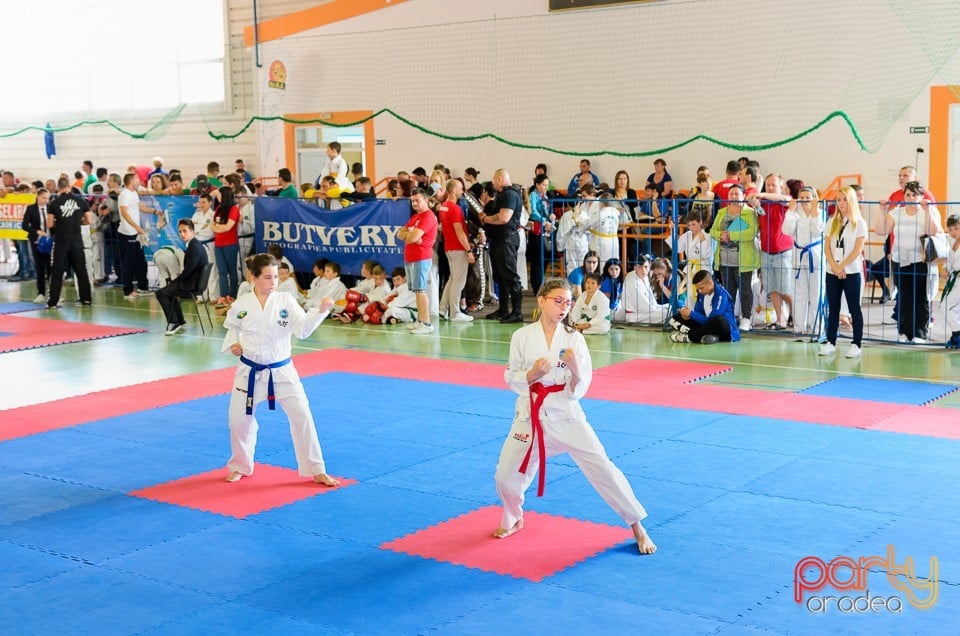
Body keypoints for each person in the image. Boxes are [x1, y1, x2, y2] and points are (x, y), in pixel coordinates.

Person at [493, 278, 656, 554]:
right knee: (504, 476)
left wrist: (576, 369)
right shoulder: (521, 337)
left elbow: (580, 388)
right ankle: (513, 517)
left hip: (565, 415)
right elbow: (511, 377)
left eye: (568, 303)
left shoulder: (574, 339)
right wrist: (532, 375)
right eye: (558, 301)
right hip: (530, 415)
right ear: (542, 300)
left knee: (602, 467)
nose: (563, 308)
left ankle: (637, 526)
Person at [222, 253, 340, 486]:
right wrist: (234, 343)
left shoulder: (286, 300)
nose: (273, 282)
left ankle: (316, 469)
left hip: (282, 371)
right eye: (267, 277)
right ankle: (240, 465)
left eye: (275, 276)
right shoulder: (242, 303)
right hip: (250, 373)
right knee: (238, 422)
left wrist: (322, 310)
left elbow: (303, 329)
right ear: (253, 278)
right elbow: (232, 328)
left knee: (303, 417)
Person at [875, 180, 942, 344]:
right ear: (904, 196)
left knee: (921, 297)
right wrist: (882, 210)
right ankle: (904, 332)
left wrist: (927, 212)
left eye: (915, 194)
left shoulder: (929, 211)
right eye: (908, 194)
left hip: (921, 260)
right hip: (900, 260)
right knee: (904, 297)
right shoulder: (896, 212)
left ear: (921, 196)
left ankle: (919, 333)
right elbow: (880, 230)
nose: (911, 197)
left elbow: (934, 231)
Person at [820, 186, 868, 357]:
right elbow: (827, 248)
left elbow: (857, 250)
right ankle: (830, 341)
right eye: (838, 200)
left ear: (851, 201)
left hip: (851, 272)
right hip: (832, 271)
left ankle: (856, 344)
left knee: (854, 308)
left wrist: (842, 267)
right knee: (833, 308)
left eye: (844, 199)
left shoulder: (859, 223)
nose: (841, 203)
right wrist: (834, 266)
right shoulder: (831, 222)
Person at [709, 184, 758, 332]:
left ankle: (746, 319)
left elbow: (752, 232)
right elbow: (712, 230)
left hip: (743, 260)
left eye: (737, 194)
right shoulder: (722, 212)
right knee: (728, 290)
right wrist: (720, 235)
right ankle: (730, 317)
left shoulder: (750, 212)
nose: (734, 197)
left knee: (745, 290)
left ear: (743, 196)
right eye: (731, 194)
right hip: (724, 259)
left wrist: (732, 235)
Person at [749, 173, 795, 330]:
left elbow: (785, 199)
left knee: (785, 289)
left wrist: (761, 193)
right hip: (766, 251)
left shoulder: (785, 200)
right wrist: (756, 203)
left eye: (773, 185)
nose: (770, 188)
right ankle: (780, 319)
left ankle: (796, 314)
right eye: (767, 185)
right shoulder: (763, 203)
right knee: (771, 288)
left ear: (780, 187)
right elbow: (754, 205)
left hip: (783, 251)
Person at [481, 169, 525, 323]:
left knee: (510, 276)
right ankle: (503, 309)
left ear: (500, 179)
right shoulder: (504, 195)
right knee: (500, 277)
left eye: (494, 180)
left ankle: (517, 312)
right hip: (499, 240)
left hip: (506, 240)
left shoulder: (510, 195)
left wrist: (486, 219)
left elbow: (503, 218)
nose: (493, 183)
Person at [45, 177, 95, 309]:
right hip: (76, 240)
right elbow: (89, 220)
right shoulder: (81, 201)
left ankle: (53, 302)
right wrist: (76, 222)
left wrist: (61, 223)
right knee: (81, 270)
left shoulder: (54, 203)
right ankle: (86, 299)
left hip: (61, 240)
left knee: (57, 271)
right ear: (69, 187)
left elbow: (49, 223)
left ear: (58, 188)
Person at [782, 186, 825, 337]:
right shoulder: (795, 214)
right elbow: (786, 231)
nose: (805, 200)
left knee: (816, 294)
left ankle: (816, 327)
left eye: (809, 197)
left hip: (816, 257)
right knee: (799, 294)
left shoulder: (820, 213)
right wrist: (790, 211)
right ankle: (799, 327)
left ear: (814, 199)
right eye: (803, 197)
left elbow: (817, 231)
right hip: (799, 256)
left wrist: (814, 213)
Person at [157, 219, 209, 335]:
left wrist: (176, 280)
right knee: (169, 291)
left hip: (191, 285)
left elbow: (189, 270)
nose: (182, 234)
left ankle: (174, 322)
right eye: (180, 232)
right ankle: (179, 320)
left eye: (185, 231)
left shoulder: (194, 247)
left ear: (192, 231)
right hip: (194, 282)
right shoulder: (194, 244)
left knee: (161, 293)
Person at [398, 188, 439, 334]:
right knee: (416, 290)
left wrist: (410, 234)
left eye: (417, 200)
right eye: (412, 201)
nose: (414, 203)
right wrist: (410, 233)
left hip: (421, 257)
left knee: (421, 290)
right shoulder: (416, 217)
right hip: (411, 257)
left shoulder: (428, 216)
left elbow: (410, 238)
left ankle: (426, 323)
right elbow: (399, 234)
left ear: (426, 200)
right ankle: (420, 319)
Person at [117, 173, 160, 299]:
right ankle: (128, 291)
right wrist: (137, 227)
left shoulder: (134, 193)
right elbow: (124, 212)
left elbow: (139, 206)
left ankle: (142, 286)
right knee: (128, 262)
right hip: (128, 233)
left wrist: (154, 211)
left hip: (136, 233)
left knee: (140, 261)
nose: (139, 181)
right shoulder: (124, 194)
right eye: (137, 179)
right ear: (131, 181)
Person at [668, 270, 740, 344]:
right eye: (698, 289)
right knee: (674, 319)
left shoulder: (722, 295)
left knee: (718, 320)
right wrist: (688, 316)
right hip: (706, 326)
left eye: (701, 288)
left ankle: (690, 337)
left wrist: (691, 314)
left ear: (710, 283)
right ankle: (708, 337)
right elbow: (698, 314)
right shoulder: (701, 295)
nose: (699, 291)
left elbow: (712, 319)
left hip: (723, 329)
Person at [438, 179, 474, 322]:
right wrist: (468, 250)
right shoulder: (455, 209)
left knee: (452, 279)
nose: (462, 191)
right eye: (460, 189)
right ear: (453, 190)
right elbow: (460, 232)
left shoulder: (443, 207)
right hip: (458, 248)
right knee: (458, 282)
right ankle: (455, 312)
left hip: (449, 247)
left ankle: (442, 308)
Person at [20, 188, 52, 304]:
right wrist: (36, 231)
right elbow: (24, 226)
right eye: (43, 198)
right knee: (40, 267)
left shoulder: (50, 208)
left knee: (51, 268)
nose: (46, 200)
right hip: (37, 241)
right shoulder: (31, 209)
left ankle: (53, 294)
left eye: (47, 198)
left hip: (50, 240)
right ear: (38, 196)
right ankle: (41, 293)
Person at [677, 209, 713, 308]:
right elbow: (679, 249)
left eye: (694, 224)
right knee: (690, 292)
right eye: (689, 225)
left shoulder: (707, 236)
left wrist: (703, 241)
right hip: (691, 267)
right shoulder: (687, 235)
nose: (691, 228)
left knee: (703, 292)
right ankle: (691, 313)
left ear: (700, 222)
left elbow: (706, 255)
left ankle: (704, 314)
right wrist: (673, 232)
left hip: (702, 267)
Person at [211, 186, 241, 306]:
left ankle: (232, 294)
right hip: (218, 244)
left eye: (220, 195)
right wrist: (219, 228)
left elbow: (228, 227)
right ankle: (223, 295)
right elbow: (212, 225)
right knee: (221, 271)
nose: (218, 197)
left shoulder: (234, 209)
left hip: (230, 244)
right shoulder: (218, 208)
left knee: (232, 270)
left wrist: (218, 228)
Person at [620, 255, 670, 325]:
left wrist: (662, 307)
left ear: (649, 266)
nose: (643, 270)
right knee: (667, 313)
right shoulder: (632, 281)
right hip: (636, 316)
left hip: (647, 311)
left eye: (646, 267)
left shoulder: (645, 277)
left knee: (670, 307)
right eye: (639, 267)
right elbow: (644, 308)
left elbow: (652, 302)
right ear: (635, 268)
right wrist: (659, 308)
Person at [941, 215, 960, 349]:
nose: (953, 232)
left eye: (957, 228)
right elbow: (949, 261)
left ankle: (957, 334)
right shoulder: (953, 242)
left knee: (946, 305)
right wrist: (944, 268)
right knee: (952, 308)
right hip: (954, 279)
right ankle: (956, 335)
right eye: (950, 229)